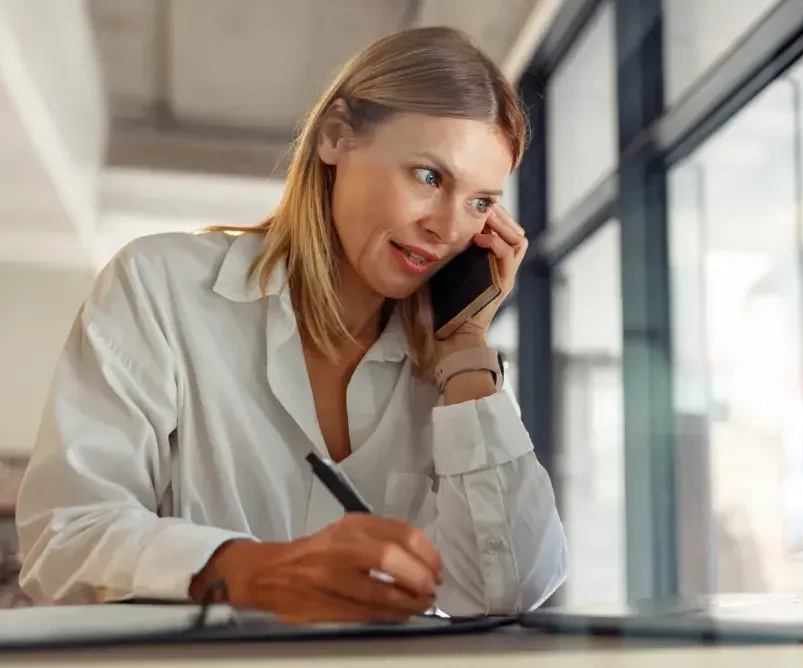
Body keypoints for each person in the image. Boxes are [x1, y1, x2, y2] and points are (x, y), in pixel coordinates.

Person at [15, 26, 568, 622]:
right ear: (335, 136)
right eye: (429, 177)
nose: (447, 228)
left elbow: (508, 589)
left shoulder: (448, 367)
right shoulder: (161, 287)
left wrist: (466, 353)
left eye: (480, 202)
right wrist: (249, 571)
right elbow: (63, 541)